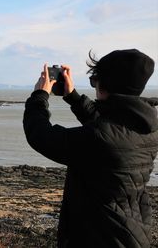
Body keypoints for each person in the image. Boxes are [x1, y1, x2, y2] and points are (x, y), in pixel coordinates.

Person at [23, 49, 158, 248]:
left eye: (95, 79)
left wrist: (39, 95)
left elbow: (42, 137)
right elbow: (110, 129)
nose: (94, 84)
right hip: (132, 231)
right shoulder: (148, 128)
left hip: (97, 236)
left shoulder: (100, 138)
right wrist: (74, 97)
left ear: (106, 84)